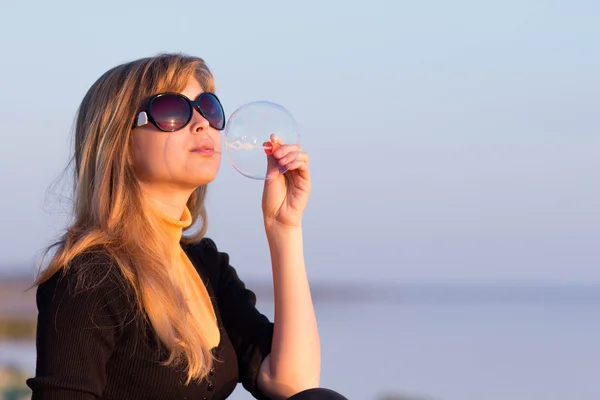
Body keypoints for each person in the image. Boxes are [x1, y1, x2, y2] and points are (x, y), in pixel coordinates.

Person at [26, 53, 347, 400]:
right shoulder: (90, 276)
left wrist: (284, 228)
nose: (201, 123)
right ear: (119, 144)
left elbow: (296, 385)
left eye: (208, 107)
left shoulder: (204, 265)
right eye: (172, 110)